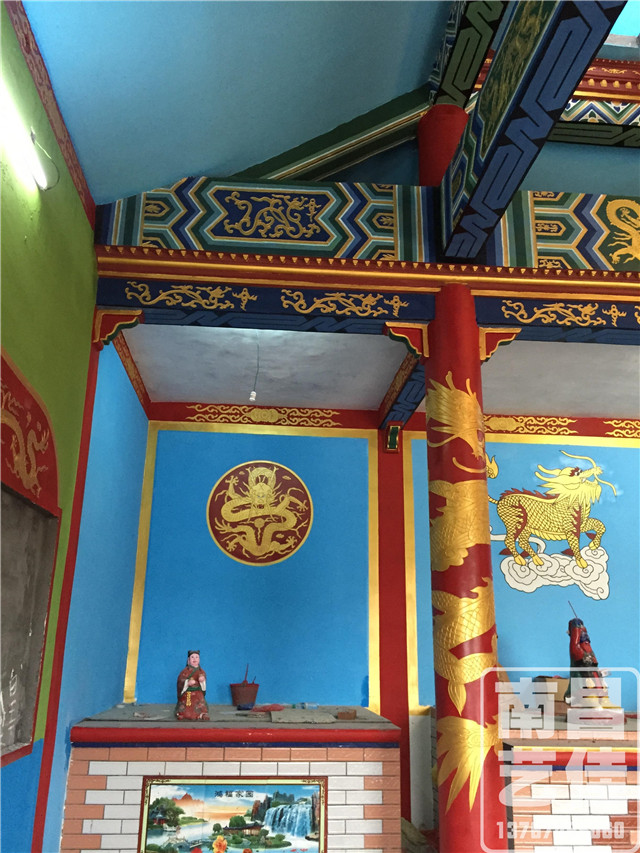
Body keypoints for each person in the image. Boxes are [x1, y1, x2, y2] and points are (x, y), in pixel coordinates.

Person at [564, 617, 604, 705]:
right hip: (584, 683)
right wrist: (576, 627)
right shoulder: (577, 649)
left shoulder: (588, 650)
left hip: (592, 675)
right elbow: (575, 646)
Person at [175, 649, 210, 720]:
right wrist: (187, 682)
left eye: (196, 657)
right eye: (192, 657)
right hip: (187, 692)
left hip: (197, 692)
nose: (195, 659)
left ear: (199, 660)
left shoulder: (201, 671)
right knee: (185, 704)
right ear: (188, 660)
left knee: (200, 703)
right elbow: (180, 680)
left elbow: (203, 678)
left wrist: (202, 680)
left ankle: (202, 714)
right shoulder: (185, 671)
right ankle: (181, 714)